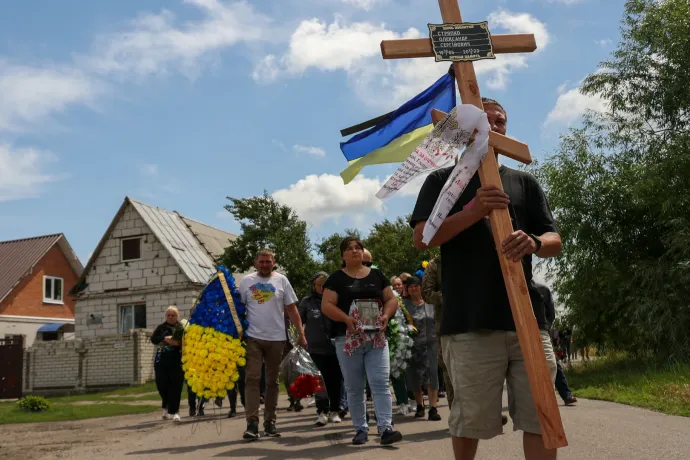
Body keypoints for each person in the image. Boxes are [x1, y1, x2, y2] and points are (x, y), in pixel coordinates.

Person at [410, 97, 561, 460]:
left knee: (543, 416)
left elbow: (554, 240)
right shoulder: (441, 181)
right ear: (466, 132)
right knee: (470, 420)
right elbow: (422, 239)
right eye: (485, 121)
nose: (494, 127)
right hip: (469, 323)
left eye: (501, 121)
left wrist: (535, 242)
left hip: (527, 319)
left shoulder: (524, 182)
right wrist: (472, 210)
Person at [322, 236, 403, 446]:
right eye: (349, 249)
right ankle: (360, 429)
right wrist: (346, 319)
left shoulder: (376, 275)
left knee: (380, 383)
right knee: (354, 386)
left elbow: (391, 299)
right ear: (343, 255)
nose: (355, 251)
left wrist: (386, 315)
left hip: (375, 338)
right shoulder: (336, 279)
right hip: (347, 339)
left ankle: (386, 428)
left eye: (358, 247)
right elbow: (327, 305)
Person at [240, 248, 307, 440]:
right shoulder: (246, 281)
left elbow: (292, 309)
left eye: (268, 261)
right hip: (253, 337)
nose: (265, 265)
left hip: (277, 338)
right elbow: (239, 310)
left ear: (274, 262)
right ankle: (252, 423)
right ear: (255, 262)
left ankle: (270, 422)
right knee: (251, 378)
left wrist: (301, 334)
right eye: (261, 261)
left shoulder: (282, 280)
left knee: (272, 382)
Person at [299, 271, 344, 426]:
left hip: (335, 347)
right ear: (314, 286)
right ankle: (322, 412)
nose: (322, 288)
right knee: (319, 381)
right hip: (315, 349)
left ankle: (335, 411)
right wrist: (299, 337)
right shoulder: (307, 302)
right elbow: (298, 322)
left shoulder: (337, 300)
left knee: (335, 381)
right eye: (319, 285)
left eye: (325, 285)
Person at [403, 276, 442, 421]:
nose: (414, 288)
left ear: (421, 287)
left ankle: (433, 408)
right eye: (410, 286)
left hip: (430, 344)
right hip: (411, 346)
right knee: (414, 376)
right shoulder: (404, 305)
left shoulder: (430, 303)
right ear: (407, 289)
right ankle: (420, 406)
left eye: (416, 286)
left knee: (432, 375)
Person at [534, 282, 578, 408]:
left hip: (540, 332)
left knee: (553, 363)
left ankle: (566, 394)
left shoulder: (543, 290)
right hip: (516, 333)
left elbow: (551, 314)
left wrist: (544, 327)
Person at [421, 256, 454, 408]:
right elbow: (426, 293)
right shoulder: (435, 264)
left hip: (477, 324)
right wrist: (450, 297)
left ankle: (488, 411)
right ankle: (457, 415)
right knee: (449, 369)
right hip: (448, 326)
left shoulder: (473, 256)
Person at [151, 306, 184, 423]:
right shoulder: (161, 327)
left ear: (177, 316)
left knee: (176, 387)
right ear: (166, 316)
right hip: (161, 362)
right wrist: (165, 339)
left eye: (173, 315)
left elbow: (187, 343)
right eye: (169, 315)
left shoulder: (181, 328)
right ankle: (166, 405)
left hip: (176, 362)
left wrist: (177, 343)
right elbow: (153, 339)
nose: (170, 317)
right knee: (162, 386)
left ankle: (175, 412)